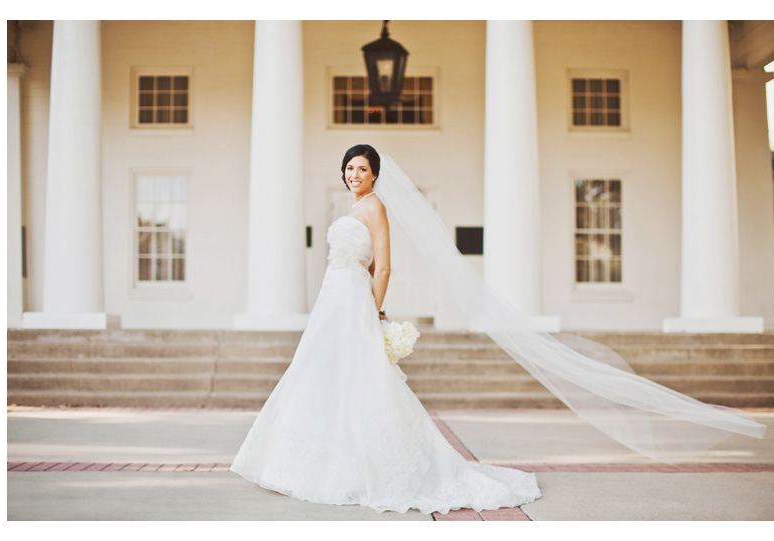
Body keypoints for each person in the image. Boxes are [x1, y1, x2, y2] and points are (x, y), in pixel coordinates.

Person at [230, 144, 541, 514]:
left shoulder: (375, 206)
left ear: (375, 173)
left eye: (361, 169)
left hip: (352, 303)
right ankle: (322, 463)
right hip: (334, 299)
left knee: (361, 377)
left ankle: (370, 468)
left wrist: (374, 311)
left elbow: (384, 266)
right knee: (328, 375)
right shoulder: (356, 207)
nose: (354, 175)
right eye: (349, 168)